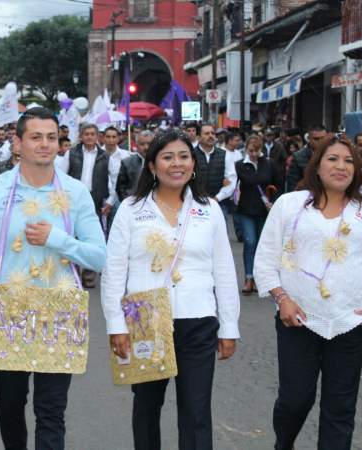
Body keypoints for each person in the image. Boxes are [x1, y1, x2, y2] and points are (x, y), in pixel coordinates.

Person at [0, 107, 106, 450]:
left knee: (51, 410)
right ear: (18, 142)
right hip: (8, 311)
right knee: (9, 403)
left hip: (60, 311)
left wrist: (58, 239)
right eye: (36, 137)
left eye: (51, 138)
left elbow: (100, 256)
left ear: (60, 144)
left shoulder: (75, 193)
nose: (44, 144)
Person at [102, 129, 240, 450]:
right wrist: (116, 326)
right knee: (147, 408)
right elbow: (114, 272)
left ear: (193, 164)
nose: (175, 164)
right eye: (167, 157)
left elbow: (224, 271)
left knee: (196, 412)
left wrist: (229, 326)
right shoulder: (131, 209)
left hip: (198, 322)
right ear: (152, 165)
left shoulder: (209, 210)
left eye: (183, 156)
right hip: (146, 320)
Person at [254, 135, 362, 450]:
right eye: (333, 159)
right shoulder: (290, 204)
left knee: (340, 408)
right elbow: (265, 260)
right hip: (297, 319)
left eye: (348, 161)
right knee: (295, 400)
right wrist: (282, 298)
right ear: (317, 165)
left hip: (349, 323)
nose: (341, 166)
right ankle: (283, 443)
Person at [59, 122, 109, 288]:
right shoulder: (71, 154)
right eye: (86, 134)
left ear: (97, 136)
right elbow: (61, 175)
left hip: (95, 199)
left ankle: (89, 274)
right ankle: (74, 271)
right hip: (72, 199)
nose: (89, 137)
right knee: (72, 234)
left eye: (92, 134)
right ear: (80, 136)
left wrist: (108, 201)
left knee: (91, 236)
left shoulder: (104, 156)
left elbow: (110, 180)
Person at [234, 135, 283, 294]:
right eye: (251, 151)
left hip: (265, 210)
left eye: (257, 150)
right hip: (246, 209)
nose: (254, 154)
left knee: (264, 245)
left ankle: (261, 278)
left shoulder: (269, 164)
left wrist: (274, 201)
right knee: (250, 242)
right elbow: (249, 180)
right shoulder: (240, 165)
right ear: (246, 149)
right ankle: (249, 278)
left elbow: (279, 183)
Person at [193, 124, 237, 219]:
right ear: (199, 137)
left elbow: (231, 181)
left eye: (213, 133)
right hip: (195, 203)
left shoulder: (225, 155)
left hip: (220, 203)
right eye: (207, 133)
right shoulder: (191, 155)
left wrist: (217, 198)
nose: (211, 136)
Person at [285, 124, 328, 193]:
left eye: (323, 138)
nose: (320, 141)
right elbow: (292, 187)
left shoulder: (333, 155)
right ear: (309, 139)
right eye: (316, 139)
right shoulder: (298, 157)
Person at [116, 129, 154, 201]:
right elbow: (120, 187)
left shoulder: (159, 163)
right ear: (137, 145)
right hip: (132, 204)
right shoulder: (127, 162)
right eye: (142, 144)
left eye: (149, 144)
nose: (146, 147)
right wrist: (127, 202)